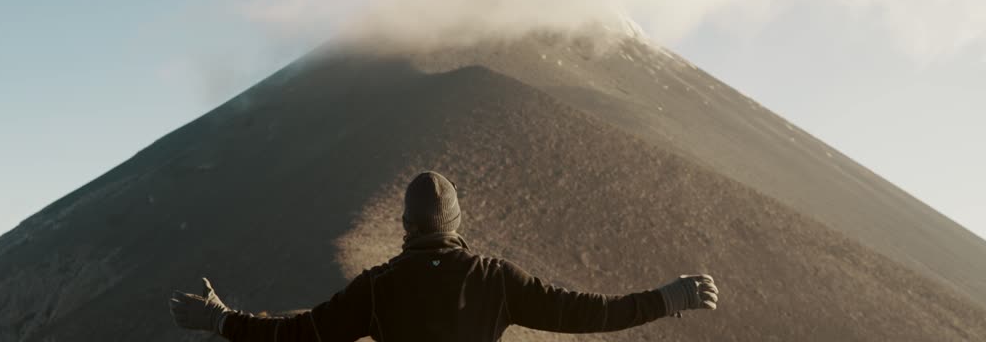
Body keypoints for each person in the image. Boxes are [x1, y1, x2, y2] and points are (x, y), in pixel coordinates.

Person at [170, 171, 718, 341]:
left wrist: (220, 320)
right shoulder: (494, 280)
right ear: (457, 224)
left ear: (406, 226)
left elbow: (298, 338)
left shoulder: (377, 287)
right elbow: (589, 314)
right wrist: (669, 299)